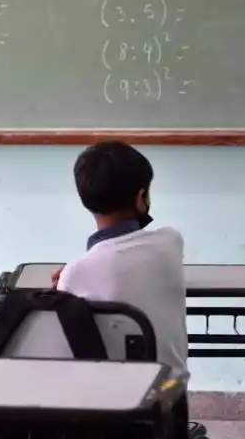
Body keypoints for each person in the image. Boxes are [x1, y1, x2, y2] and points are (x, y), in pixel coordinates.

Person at [54, 140, 187, 373]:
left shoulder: (75, 273)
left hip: (111, 391)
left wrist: (68, 277)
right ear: (141, 197)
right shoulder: (171, 242)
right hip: (170, 387)